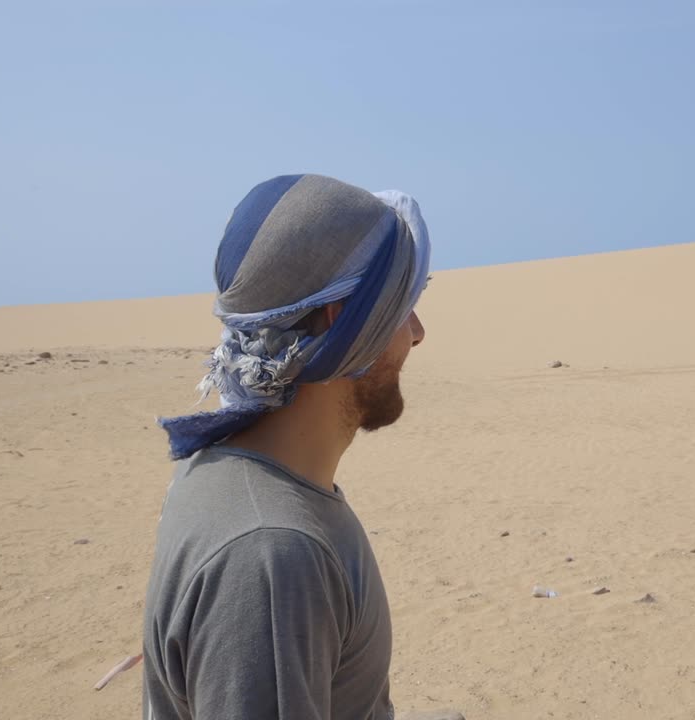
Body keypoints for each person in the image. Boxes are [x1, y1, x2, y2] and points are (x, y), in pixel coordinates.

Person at [142, 174, 459, 720]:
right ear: (344, 320)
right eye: (402, 307)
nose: (418, 331)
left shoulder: (229, 472)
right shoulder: (270, 557)